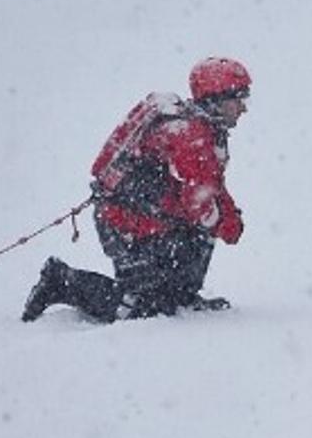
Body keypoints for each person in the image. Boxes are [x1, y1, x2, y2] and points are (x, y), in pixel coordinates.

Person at [21, 57, 253, 322]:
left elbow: (207, 184)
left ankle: (180, 296)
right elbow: (199, 203)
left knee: (201, 235)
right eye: (238, 99)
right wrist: (227, 224)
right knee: (140, 309)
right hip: (127, 224)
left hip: (149, 219)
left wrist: (226, 214)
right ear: (216, 99)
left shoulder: (198, 127)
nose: (243, 108)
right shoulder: (191, 137)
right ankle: (62, 281)